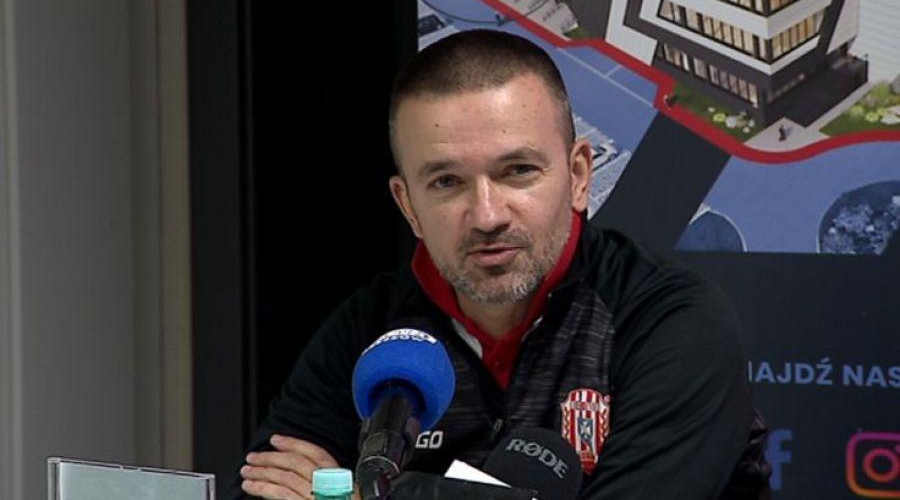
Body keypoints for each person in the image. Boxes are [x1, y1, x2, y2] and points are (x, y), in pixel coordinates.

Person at [235, 29, 769, 500]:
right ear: (407, 205)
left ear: (579, 176)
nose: (487, 215)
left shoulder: (669, 321)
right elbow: (265, 490)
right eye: (447, 182)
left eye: (517, 171)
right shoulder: (368, 333)